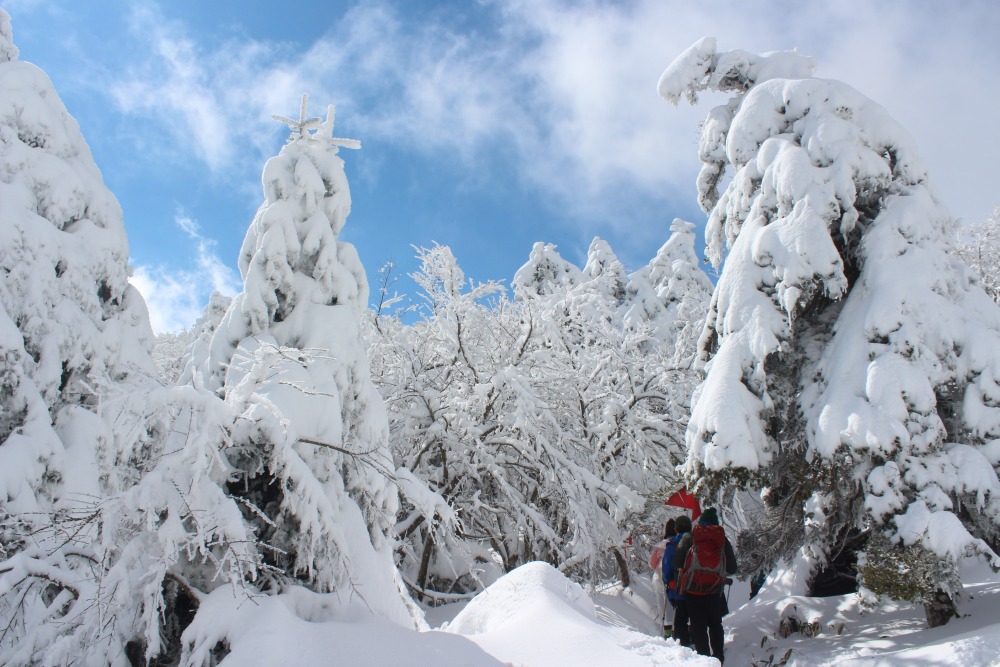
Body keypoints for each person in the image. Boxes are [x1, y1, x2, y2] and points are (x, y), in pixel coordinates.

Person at [673, 507, 737, 664]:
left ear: (700, 522)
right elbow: (732, 568)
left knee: (698, 626)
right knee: (715, 624)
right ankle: (719, 658)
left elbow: (677, 561)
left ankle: (704, 659)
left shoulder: (689, 537)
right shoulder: (722, 540)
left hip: (693, 590)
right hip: (714, 591)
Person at [662, 514, 692, 646]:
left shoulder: (672, 544)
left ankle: (684, 646)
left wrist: (668, 582)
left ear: (676, 529)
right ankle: (698, 643)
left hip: (679, 590)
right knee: (697, 620)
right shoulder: (697, 542)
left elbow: (667, 567)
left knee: (680, 622)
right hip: (698, 588)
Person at [649, 518, 676, 636]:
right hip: (673, 578)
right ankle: (675, 629)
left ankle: (665, 631)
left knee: (662, 606)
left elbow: (652, 563)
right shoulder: (677, 544)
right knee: (673, 606)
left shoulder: (660, 546)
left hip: (659, 578)